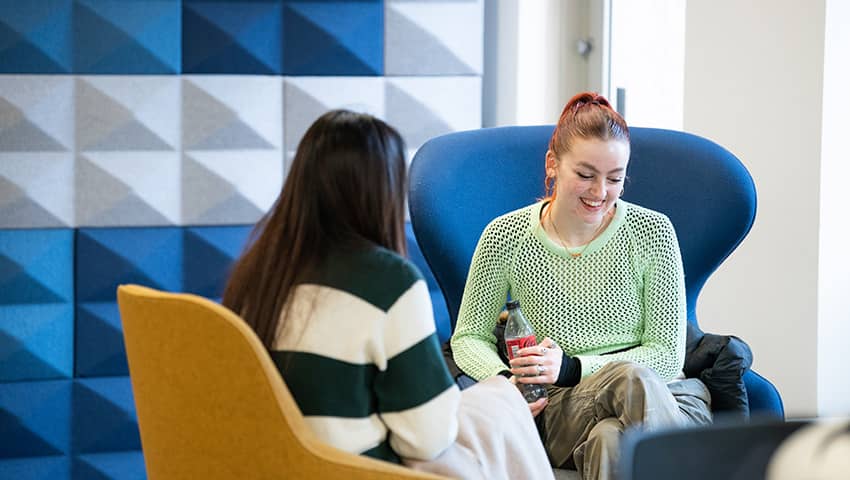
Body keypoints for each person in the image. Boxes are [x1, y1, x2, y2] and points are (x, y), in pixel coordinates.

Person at [222, 110, 553, 479]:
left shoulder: (258, 274)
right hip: (358, 469)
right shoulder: (389, 283)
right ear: (382, 192)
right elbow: (426, 439)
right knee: (501, 405)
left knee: (495, 399)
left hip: (279, 466)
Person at [450, 92, 713, 480]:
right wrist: (508, 386)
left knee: (610, 436)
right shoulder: (505, 236)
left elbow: (667, 356)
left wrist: (574, 367)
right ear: (553, 165)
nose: (599, 192)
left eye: (615, 179)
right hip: (564, 406)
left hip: (667, 399)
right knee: (627, 382)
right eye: (585, 175)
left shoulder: (653, 232)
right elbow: (468, 337)